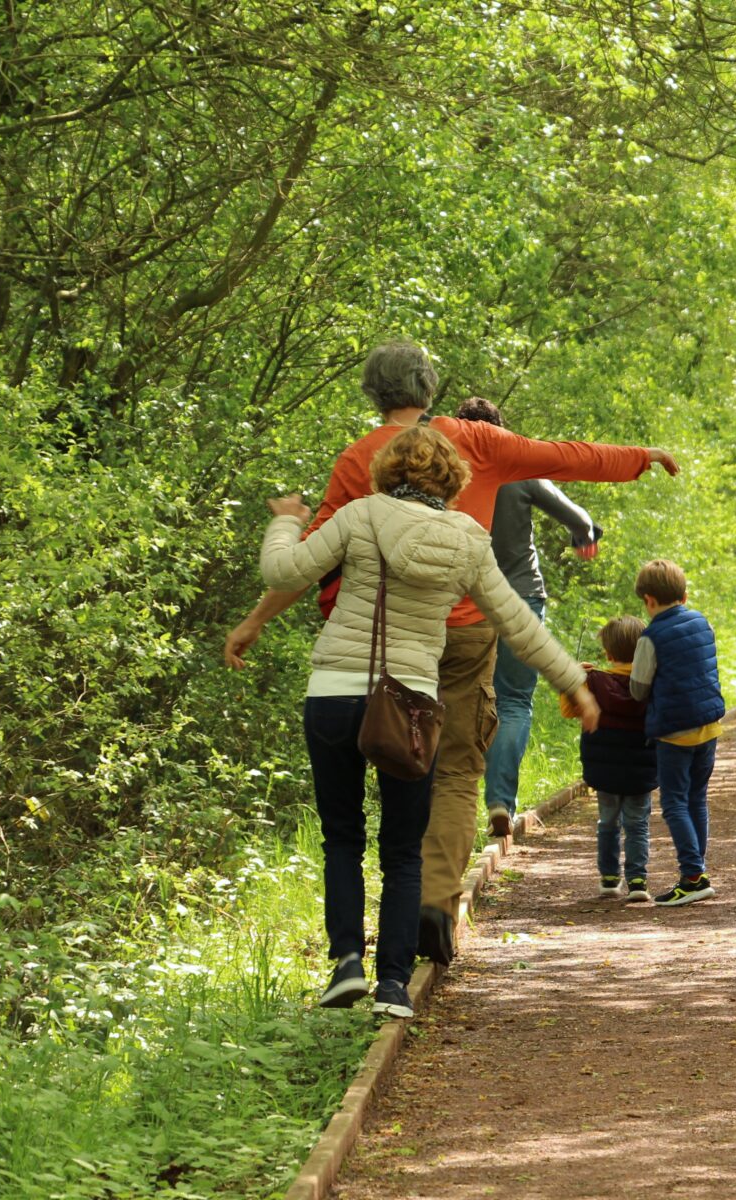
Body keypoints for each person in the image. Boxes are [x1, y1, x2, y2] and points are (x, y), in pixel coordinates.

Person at [226, 341, 679, 965]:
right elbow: (562, 457)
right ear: (429, 386)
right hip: (465, 631)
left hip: (380, 650)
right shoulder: (476, 440)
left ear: (372, 393)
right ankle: (435, 901)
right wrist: (639, 458)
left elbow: (308, 557)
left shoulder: (359, 459)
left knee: (375, 787)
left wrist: (254, 622)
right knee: (458, 768)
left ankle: (358, 953)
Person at [260, 426, 601, 1018]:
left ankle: (345, 965)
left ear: (387, 470)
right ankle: (392, 986)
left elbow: (285, 572)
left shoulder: (362, 514)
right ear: (453, 482)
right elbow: (519, 622)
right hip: (410, 704)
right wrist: (575, 683)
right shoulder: (467, 538)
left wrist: (288, 519)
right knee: (402, 850)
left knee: (342, 836)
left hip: (336, 693)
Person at [453, 397, 602, 840]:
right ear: (501, 431)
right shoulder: (519, 470)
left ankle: (448, 810)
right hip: (519, 599)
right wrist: (583, 539)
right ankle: (500, 802)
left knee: (458, 702)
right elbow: (580, 518)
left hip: (462, 605)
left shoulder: (440, 473)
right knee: (514, 701)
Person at [629, 558, 726, 907]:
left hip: (674, 731)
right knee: (696, 798)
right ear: (684, 596)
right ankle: (696, 872)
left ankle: (693, 876)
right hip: (709, 725)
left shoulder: (650, 637)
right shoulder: (703, 622)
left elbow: (639, 689)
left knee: (673, 802)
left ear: (648, 600)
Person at [560, 616, 658, 903]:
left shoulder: (592, 682)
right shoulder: (652, 684)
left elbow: (569, 710)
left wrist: (573, 681)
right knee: (638, 822)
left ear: (608, 654)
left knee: (608, 821)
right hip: (641, 768)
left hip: (605, 769)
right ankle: (638, 880)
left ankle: (609, 877)